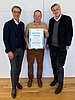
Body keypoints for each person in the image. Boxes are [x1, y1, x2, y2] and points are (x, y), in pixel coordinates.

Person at [46, 3, 73, 94]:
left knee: (60, 66)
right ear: (52, 12)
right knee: (54, 65)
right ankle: (56, 79)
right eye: (53, 10)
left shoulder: (67, 19)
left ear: (60, 9)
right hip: (52, 47)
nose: (55, 11)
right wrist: (47, 43)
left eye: (57, 9)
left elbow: (70, 33)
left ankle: (60, 85)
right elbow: (49, 33)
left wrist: (67, 44)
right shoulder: (51, 20)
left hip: (62, 48)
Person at [3, 6, 26, 98]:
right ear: (12, 12)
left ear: (20, 13)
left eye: (18, 12)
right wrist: (9, 51)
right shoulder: (8, 24)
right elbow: (5, 38)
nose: (16, 13)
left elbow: (23, 36)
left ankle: (16, 82)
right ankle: (13, 88)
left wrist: (25, 47)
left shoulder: (22, 24)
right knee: (13, 69)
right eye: (15, 12)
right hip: (12, 51)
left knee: (19, 68)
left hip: (21, 50)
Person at [25, 10, 49, 88]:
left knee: (40, 65)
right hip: (30, 49)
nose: (37, 17)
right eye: (36, 15)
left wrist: (46, 32)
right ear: (33, 16)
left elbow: (47, 36)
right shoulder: (29, 25)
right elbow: (25, 36)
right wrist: (28, 44)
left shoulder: (44, 25)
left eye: (39, 16)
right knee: (30, 64)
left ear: (41, 17)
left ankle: (39, 79)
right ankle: (30, 79)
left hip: (40, 49)